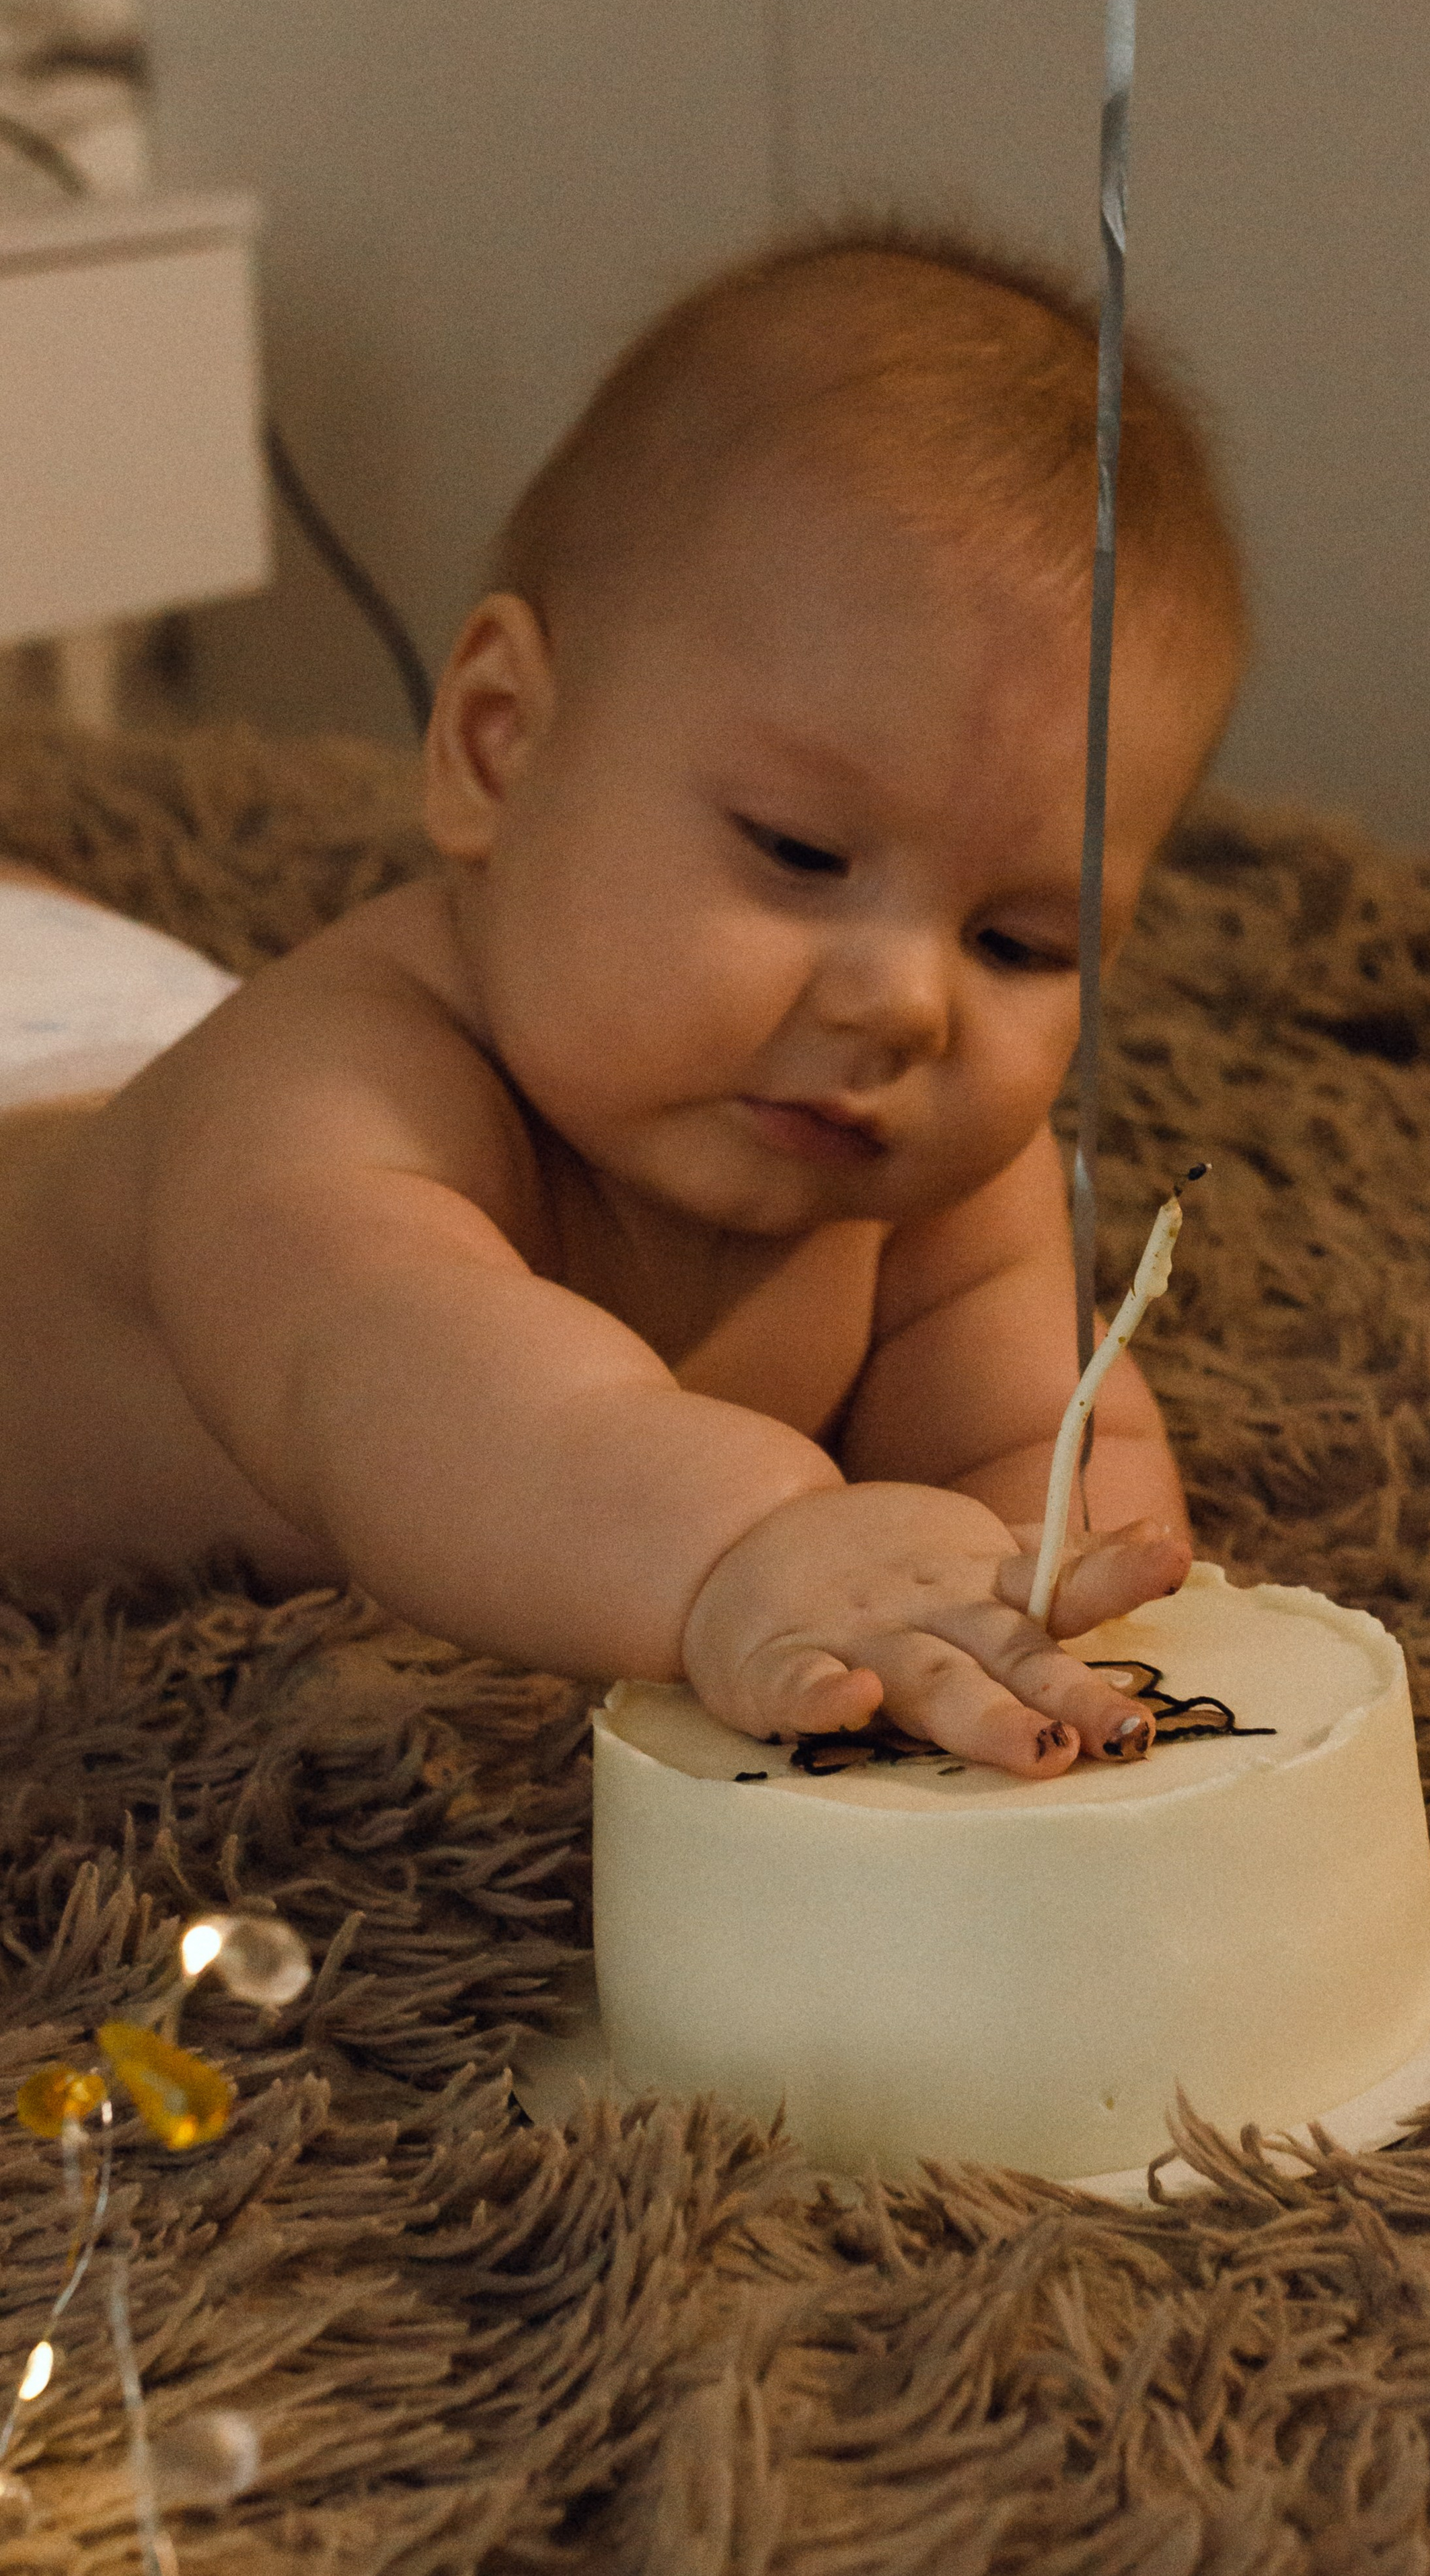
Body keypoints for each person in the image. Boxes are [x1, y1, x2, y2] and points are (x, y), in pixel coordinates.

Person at [0, 231, 1244, 1779]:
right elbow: (448, 1409)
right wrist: (751, 1544)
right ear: (499, 746)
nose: (904, 1002)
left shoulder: (927, 1163)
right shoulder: (325, 1112)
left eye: (1019, 941)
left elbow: (1045, 1448)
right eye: (798, 853)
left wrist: (1064, 1604)